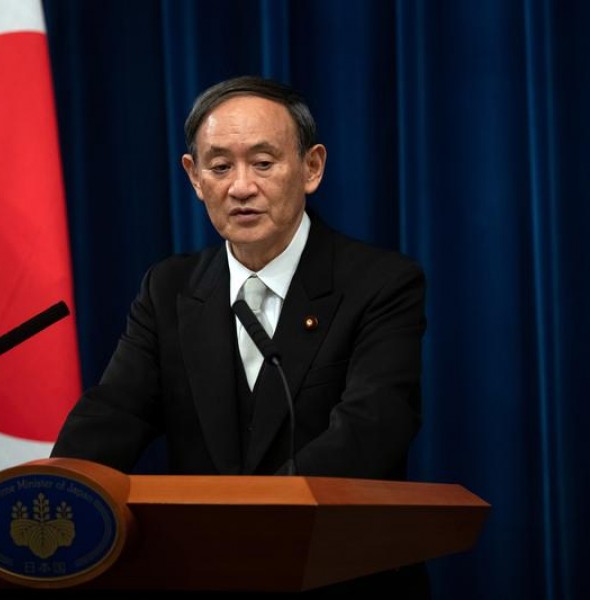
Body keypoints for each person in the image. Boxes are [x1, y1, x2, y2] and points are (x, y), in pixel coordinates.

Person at [51, 75, 429, 598]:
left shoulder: (380, 283)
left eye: (263, 162)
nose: (241, 186)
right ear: (194, 177)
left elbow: (372, 426)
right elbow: (115, 412)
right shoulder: (169, 289)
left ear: (311, 167)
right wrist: (56, 493)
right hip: (204, 577)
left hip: (336, 574)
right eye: (220, 166)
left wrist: (250, 525)